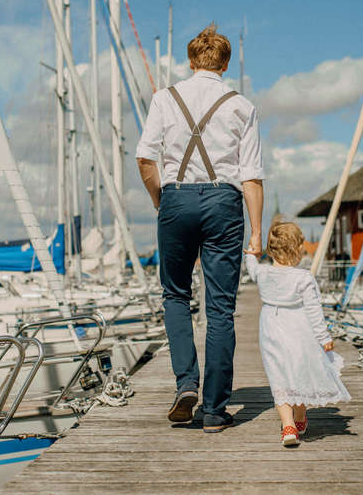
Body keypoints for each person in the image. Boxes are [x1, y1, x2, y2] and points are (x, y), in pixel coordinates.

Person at [136, 24, 264, 433]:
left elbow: (145, 159)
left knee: (175, 294)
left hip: (176, 198)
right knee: (220, 307)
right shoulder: (241, 105)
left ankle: (186, 384)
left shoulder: (165, 97)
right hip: (224, 202)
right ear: (225, 64)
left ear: (191, 61)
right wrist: (256, 232)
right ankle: (214, 410)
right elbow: (251, 176)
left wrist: (160, 201)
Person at [244, 221, 350, 447]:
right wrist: (324, 338)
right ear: (295, 249)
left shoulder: (262, 272)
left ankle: (288, 426)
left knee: (279, 376)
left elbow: (251, 266)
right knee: (299, 372)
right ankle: (300, 417)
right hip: (298, 329)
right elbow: (313, 310)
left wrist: (252, 252)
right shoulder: (303, 277)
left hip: (270, 329)